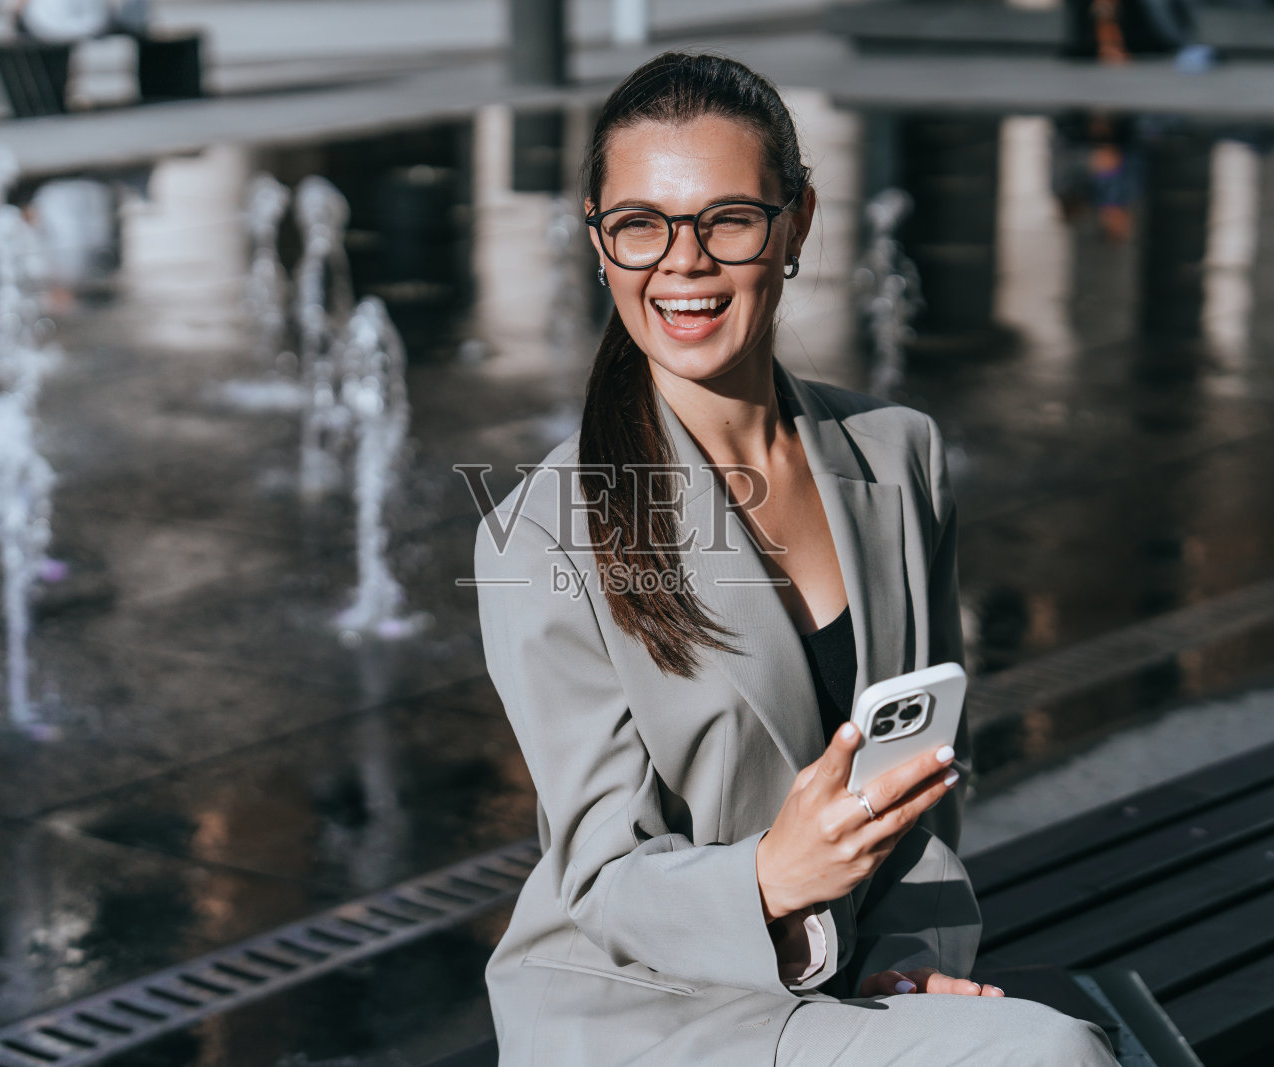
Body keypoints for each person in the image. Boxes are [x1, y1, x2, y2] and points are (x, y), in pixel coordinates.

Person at [471, 52, 1119, 1066]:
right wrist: (771, 877)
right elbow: (601, 879)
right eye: (639, 224)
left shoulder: (899, 456)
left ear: (796, 224)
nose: (680, 263)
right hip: (642, 1011)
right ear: (598, 239)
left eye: (727, 219)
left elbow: (925, 777)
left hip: (836, 983)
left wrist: (905, 955)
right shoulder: (539, 530)